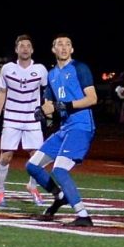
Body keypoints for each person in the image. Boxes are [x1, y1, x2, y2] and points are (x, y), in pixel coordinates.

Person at [26, 34, 97, 227]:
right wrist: (42, 111)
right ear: (53, 50)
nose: (64, 48)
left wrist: (63, 106)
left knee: (59, 170)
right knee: (32, 166)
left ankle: (83, 215)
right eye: (60, 45)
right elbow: (49, 104)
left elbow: (92, 99)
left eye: (68, 45)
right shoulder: (52, 74)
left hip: (81, 127)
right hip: (65, 128)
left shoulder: (79, 68)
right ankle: (60, 195)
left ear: (72, 49)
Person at [0, 34, 48, 207]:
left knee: (37, 157)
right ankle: (0, 191)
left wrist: (48, 114)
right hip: (12, 117)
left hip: (32, 118)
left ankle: (32, 186)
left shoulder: (40, 69)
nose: (24, 48)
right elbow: (2, 92)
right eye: (21, 46)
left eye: (28, 46)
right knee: (6, 156)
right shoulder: (7, 68)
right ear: (16, 49)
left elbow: (46, 93)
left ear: (32, 50)